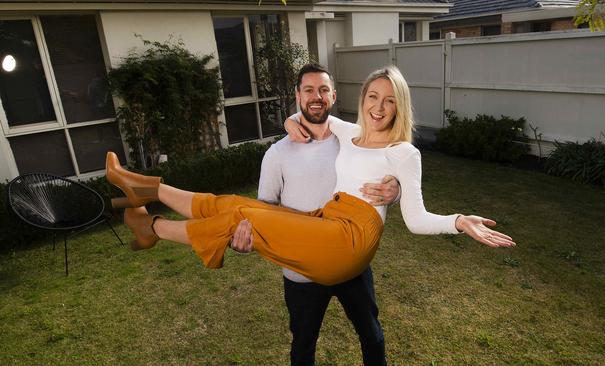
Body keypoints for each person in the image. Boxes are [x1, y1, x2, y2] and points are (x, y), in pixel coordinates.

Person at [106, 63, 515, 356]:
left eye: (388, 100)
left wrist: (459, 221)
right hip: (321, 229)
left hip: (349, 243)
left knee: (370, 335)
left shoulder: (403, 152)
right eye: (372, 96)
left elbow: (417, 218)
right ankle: (145, 187)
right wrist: (289, 121)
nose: (378, 106)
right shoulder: (347, 131)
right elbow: (306, 115)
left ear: (398, 106)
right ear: (360, 99)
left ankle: (153, 228)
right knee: (233, 204)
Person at [231, 63, 398, 365]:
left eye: (323, 90)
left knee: (372, 336)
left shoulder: (355, 141)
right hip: (302, 272)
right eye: (308, 90)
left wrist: (394, 188)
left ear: (333, 95)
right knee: (303, 345)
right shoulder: (277, 155)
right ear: (297, 95)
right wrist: (247, 239)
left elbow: (383, 176)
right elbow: (264, 210)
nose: (316, 96)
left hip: (352, 264)